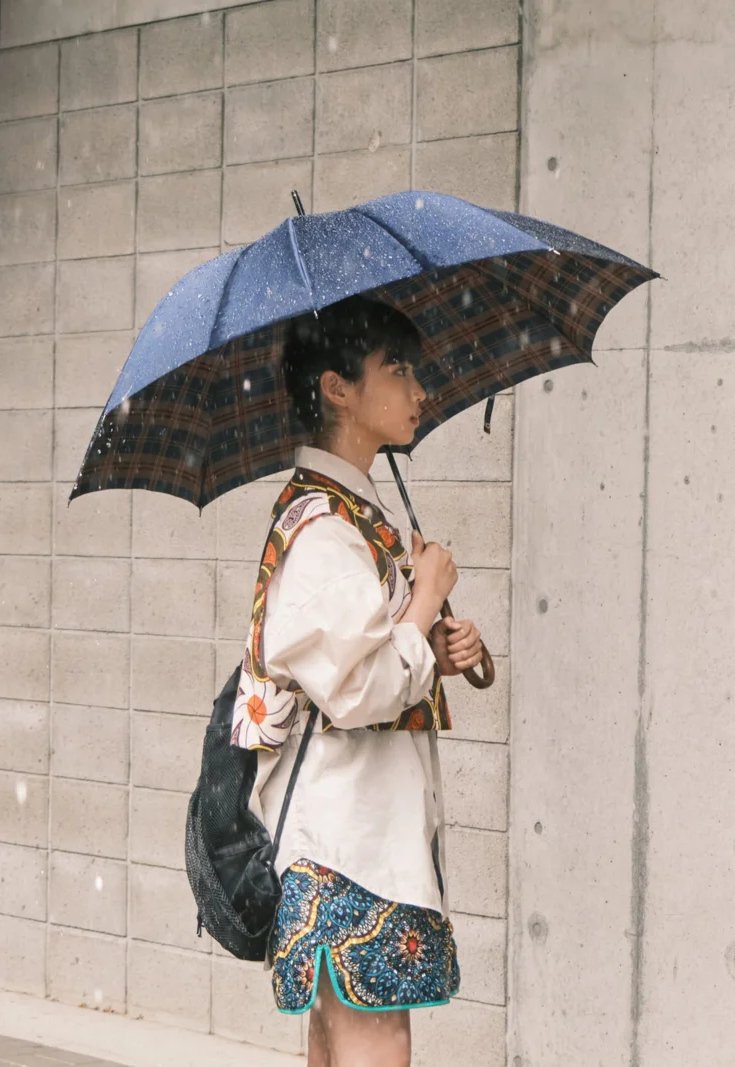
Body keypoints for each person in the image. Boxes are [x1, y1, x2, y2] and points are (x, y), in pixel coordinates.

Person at [235, 295, 484, 1067]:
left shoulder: (354, 513)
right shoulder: (323, 528)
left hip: (357, 844)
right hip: (350, 852)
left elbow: (371, 665)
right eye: (397, 370)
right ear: (338, 388)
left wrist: (441, 643)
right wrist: (429, 598)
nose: (418, 390)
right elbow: (360, 693)